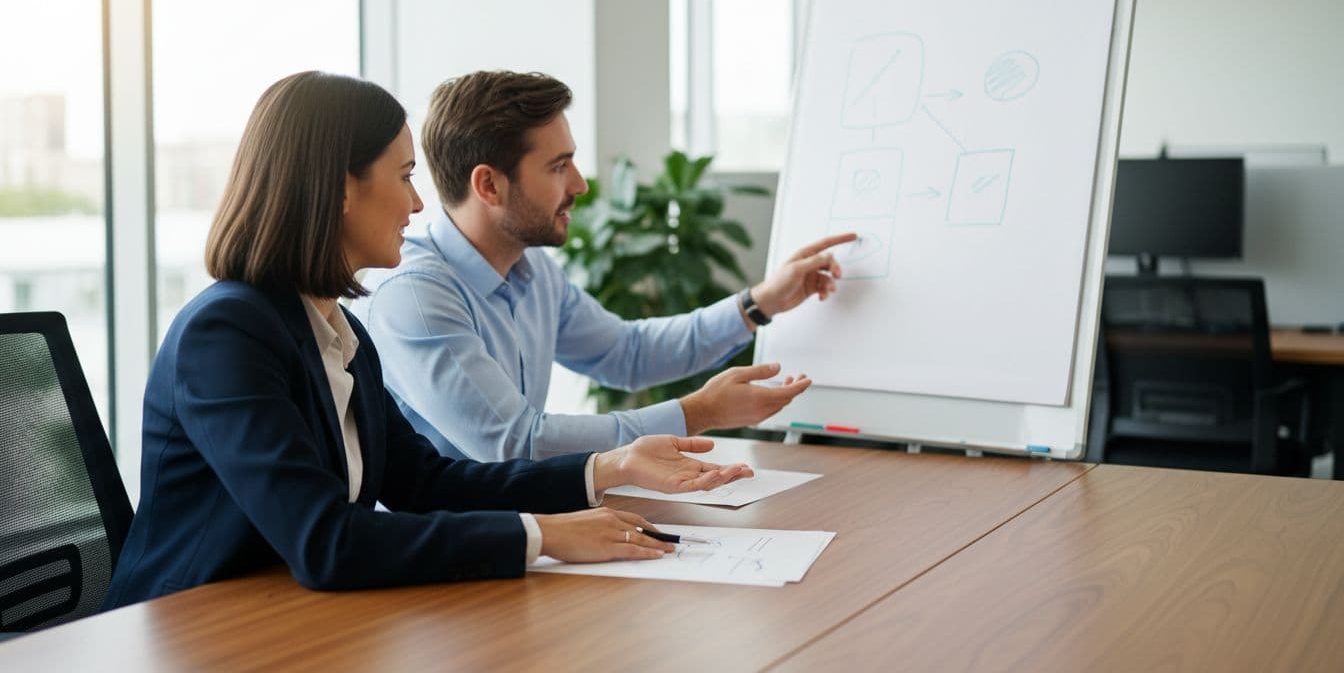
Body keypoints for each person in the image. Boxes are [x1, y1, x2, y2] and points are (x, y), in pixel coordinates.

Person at [103, 71, 753, 609]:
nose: (417, 206)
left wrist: (606, 468)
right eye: (404, 175)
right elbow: (326, 541)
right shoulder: (226, 335)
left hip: (294, 618)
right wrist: (543, 535)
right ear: (338, 189)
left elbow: (426, 482)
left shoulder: (341, 331)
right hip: (189, 630)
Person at [352, 70, 855, 462]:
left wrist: (759, 303)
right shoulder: (415, 295)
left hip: (517, 532)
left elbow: (626, 353)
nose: (580, 185)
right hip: (442, 560)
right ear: (489, 185)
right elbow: (515, 442)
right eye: (557, 166)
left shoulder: (532, 273)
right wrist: (697, 412)